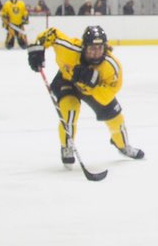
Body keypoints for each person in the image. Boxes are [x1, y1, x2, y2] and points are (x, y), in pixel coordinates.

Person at [28, 24, 142, 167]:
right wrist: (38, 47)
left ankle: (123, 145)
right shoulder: (70, 48)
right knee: (70, 110)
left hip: (94, 90)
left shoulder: (111, 67)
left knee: (116, 119)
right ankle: (67, 146)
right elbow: (53, 34)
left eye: (100, 48)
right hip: (67, 80)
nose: (96, 52)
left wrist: (92, 85)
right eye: (92, 48)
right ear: (84, 46)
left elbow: (108, 95)